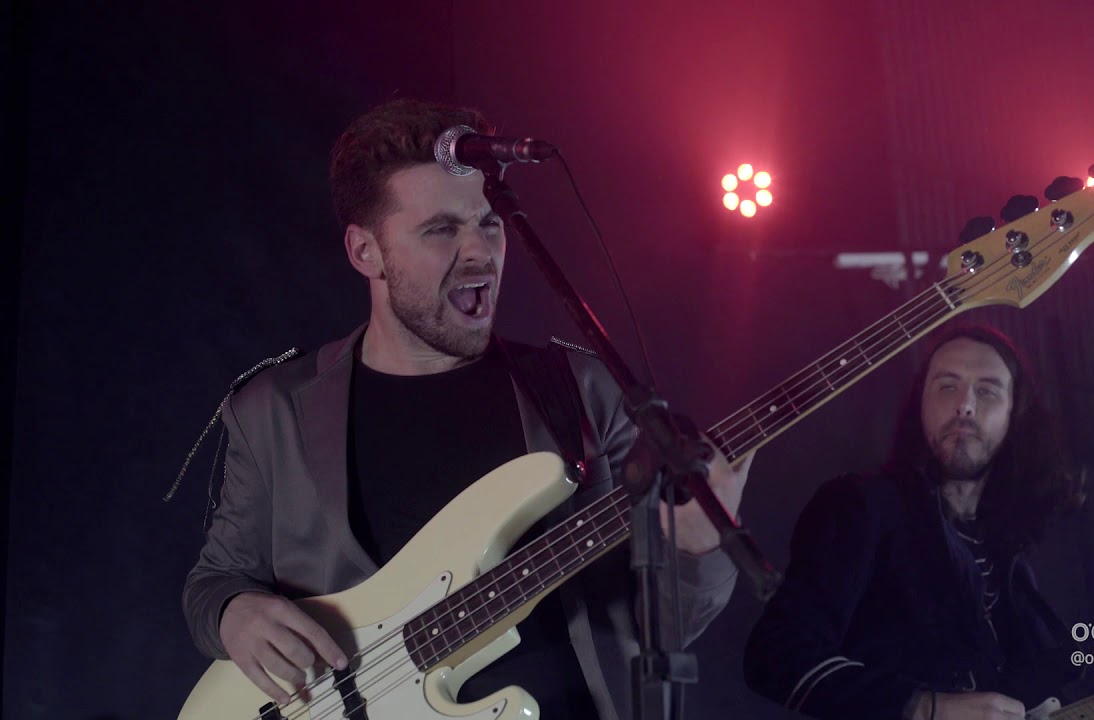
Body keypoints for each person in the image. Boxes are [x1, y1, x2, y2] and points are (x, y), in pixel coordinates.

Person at [182, 99, 752, 720]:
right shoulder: (273, 411)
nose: (480, 251)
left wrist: (696, 549)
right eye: (441, 229)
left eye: (490, 223)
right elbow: (216, 579)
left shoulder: (582, 392)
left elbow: (655, 627)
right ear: (366, 251)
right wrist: (232, 613)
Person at [743, 324, 1094, 719]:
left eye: (987, 391)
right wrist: (928, 708)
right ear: (920, 406)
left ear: (1013, 417)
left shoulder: (1014, 568)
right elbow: (776, 656)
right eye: (947, 386)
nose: (964, 405)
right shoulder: (863, 507)